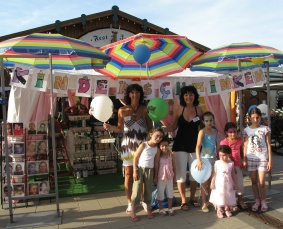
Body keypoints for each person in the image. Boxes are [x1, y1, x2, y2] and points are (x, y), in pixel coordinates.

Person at [103, 84, 153, 214]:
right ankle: (130, 202)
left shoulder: (146, 110)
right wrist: (110, 128)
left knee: (142, 175)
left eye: (137, 92)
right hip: (128, 147)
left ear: (141, 94)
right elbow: (119, 129)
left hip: (142, 147)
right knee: (129, 175)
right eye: (132, 92)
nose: (135, 95)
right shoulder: (122, 110)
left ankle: (143, 200)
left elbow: (150, 129)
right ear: (128, 95)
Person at [163, 85, 203, 211]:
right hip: (180, 145)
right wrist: (161, 129)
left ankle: (192, 198)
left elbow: (203, 127)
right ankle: (184, 200)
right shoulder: (179, 109)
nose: (188, 97)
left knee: (194, 174)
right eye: (186, 95)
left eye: (191, 94)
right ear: (183, 97)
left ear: (194, 96)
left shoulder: (199, 110)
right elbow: (174, 126)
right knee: (180, 174)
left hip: (195, 145)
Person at [130, 128, 163, 222]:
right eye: (157, 135)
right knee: (136, 189)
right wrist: (135, 171)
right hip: (140, 169)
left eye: (161, 137)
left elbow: (156, 163)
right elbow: (135, 158)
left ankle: (148, 209)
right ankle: (133, 210)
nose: (158, 138)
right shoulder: (144, 144)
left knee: (148, 190)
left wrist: (156, 176)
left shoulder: (157, 149)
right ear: (151, 134)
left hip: (150, 171)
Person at [243, 107, 272, 212]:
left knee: (262, 182)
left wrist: (270, 161)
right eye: (253, 118)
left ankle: (264, 201)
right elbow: (245, 146)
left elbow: (268, 145)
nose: (255, 120)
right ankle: (257, 200)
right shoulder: (246, 130)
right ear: (250, 118)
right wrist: (245, 160)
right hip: (251, 158)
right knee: (254, 181)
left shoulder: (265, 129)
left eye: (257, 117)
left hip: (263, 157)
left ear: (260, 117)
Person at [220, 122, 248, 210]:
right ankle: (232, 203)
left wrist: (244, 160)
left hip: (238, 166)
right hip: (228, 167)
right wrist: (231, 167)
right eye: (230, 132)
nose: (233, 134)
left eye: (235, 131)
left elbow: (241, 151)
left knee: (239, 184)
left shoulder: (239, 140)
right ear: (226, 132)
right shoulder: (224, 142)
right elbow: (223, 155)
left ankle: (240, 200)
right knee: (230, 185)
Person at [195, 111, 217, 213]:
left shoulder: (214, 131)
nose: (209, 122)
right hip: (204, 159)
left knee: (213, 181)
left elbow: (215, 144)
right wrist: (198, 160)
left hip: (213, 159)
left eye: (211, 120)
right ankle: (204, 202)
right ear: (203, 122)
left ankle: (211, 200)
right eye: (207, 121)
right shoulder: (202, 132)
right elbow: (198, 146)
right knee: (204, 183)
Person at [209, 145, 237, 218]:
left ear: (229, 154)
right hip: (219, 184)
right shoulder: (217, 163)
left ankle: (227, 208)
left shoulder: (231, 163)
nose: (222, 157)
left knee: (227, 195)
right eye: (220, 155)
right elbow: (214, 174)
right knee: (220, 196)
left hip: (228, 183)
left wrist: (235, 183)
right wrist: (212, 182)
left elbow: (233, 174)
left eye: (224, 155)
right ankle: (219, 209)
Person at [156, 137, 176, 216]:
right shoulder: (158, 155)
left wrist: (175, 176)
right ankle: (161, 209)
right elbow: (156, 166)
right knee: (160, 193)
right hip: (161, 177)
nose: (164, 147)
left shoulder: (171, 155)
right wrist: (155, 177)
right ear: (159, 147)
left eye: (166, 145)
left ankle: (170, 208)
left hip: (170, 177)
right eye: (162, 146)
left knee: (170, 193)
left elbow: (174, 166)